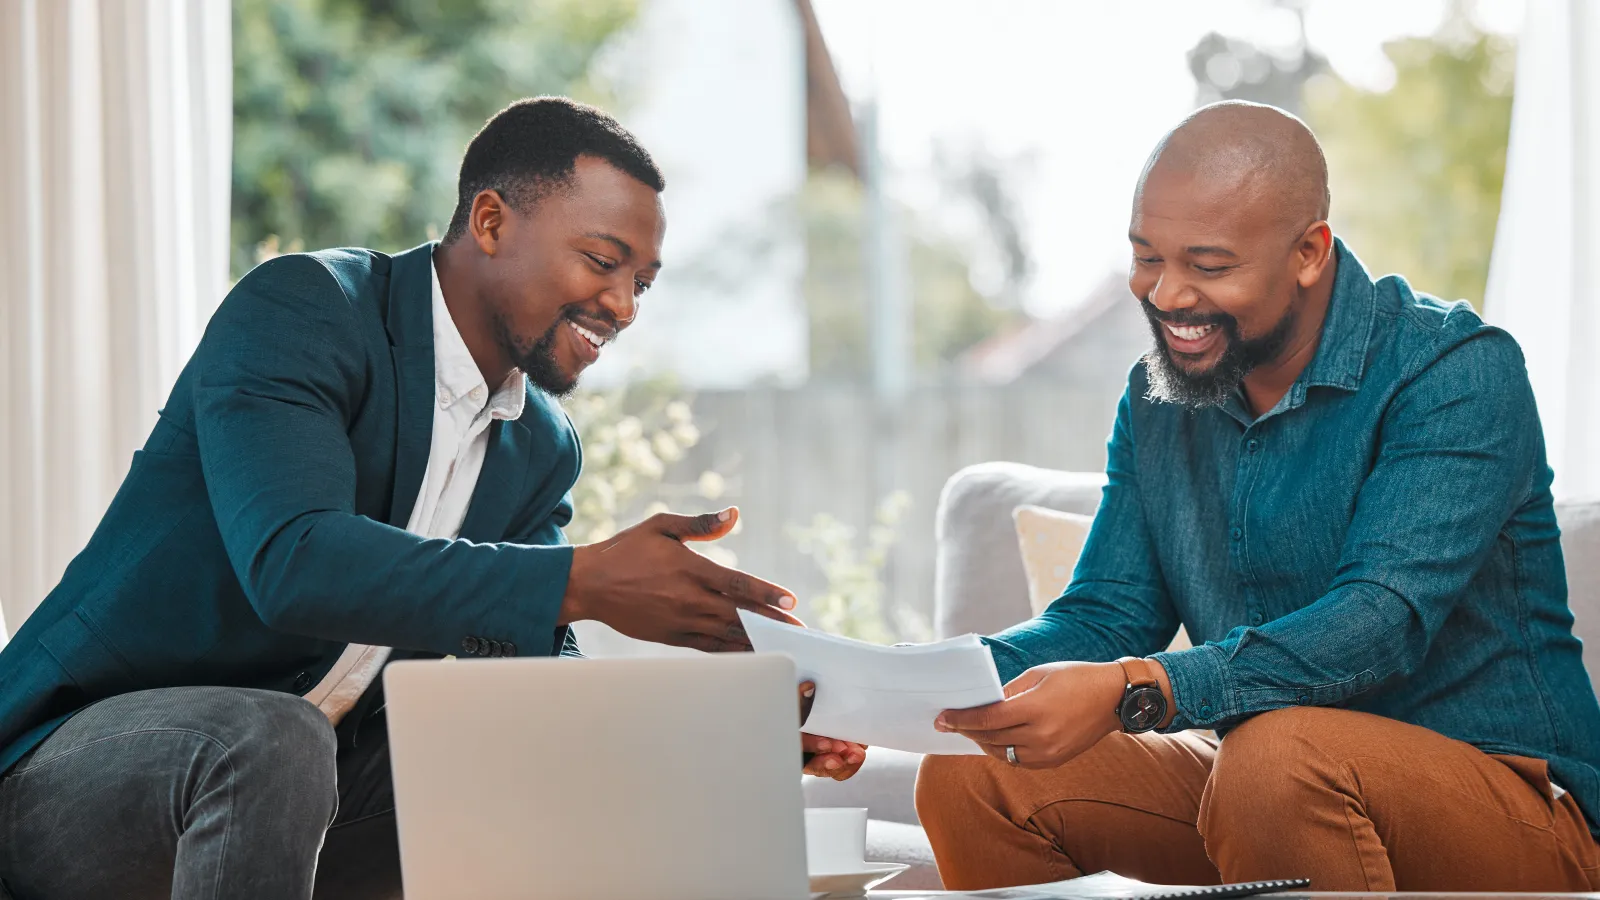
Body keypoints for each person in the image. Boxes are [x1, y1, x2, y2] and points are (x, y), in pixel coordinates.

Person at [0, 97, 862, 900]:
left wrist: (729, 737)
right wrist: (581, 580)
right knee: (275, 740)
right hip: (68, 776)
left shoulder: (538, 447)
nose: (624, 306)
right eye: (604, 262)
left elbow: (531, 692)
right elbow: (294, 561)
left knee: (495, 767)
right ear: (490, 221)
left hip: (307, 790)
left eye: (643, 281)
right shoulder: (306, 311)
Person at [915, 101, 1600, 891]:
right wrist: (911, 691)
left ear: (1309, 252)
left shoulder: (1452, 371)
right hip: (1260, 789)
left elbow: (1379, 624)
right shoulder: (1157, 399)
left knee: (1275, 759)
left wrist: (1148, 687)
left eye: (1208, 267)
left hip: (1511, 804)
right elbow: (1105, 615)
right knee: (973, 774)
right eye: (1146, 257)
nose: (1166, 295)